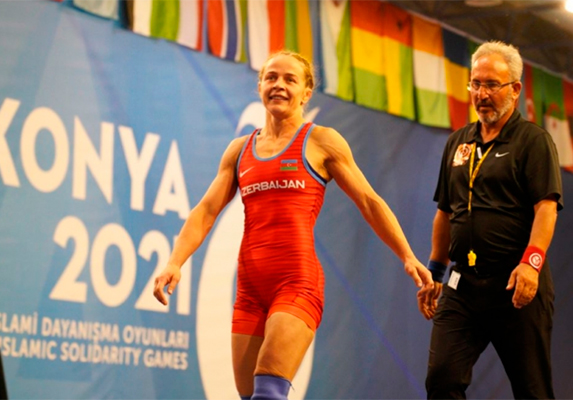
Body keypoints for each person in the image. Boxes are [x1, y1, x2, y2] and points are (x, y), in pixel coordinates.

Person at [153, 50, 433, 400]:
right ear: (259, 86)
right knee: (250, 396)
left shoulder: (322, 141)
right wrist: (174, 262)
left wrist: (407, 255)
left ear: (306, 92)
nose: (279, 85)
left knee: (269, 391)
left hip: (297, 282)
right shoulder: (239, 150)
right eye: (271, 77)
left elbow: (369, 201)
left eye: (290, 79)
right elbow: (206, 211)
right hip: (250, 289)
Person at [417, 41, 563, 399]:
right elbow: (445, 211)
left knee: (532, 390)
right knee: (441, 379)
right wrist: (435, 273)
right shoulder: (458, 143)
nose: (481, 94)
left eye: (491, 85)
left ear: (515, 89)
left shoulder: (533, 141)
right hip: (463, 286)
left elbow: (546, 208)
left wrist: (531, 264)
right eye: (475, 83)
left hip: (515, 285)